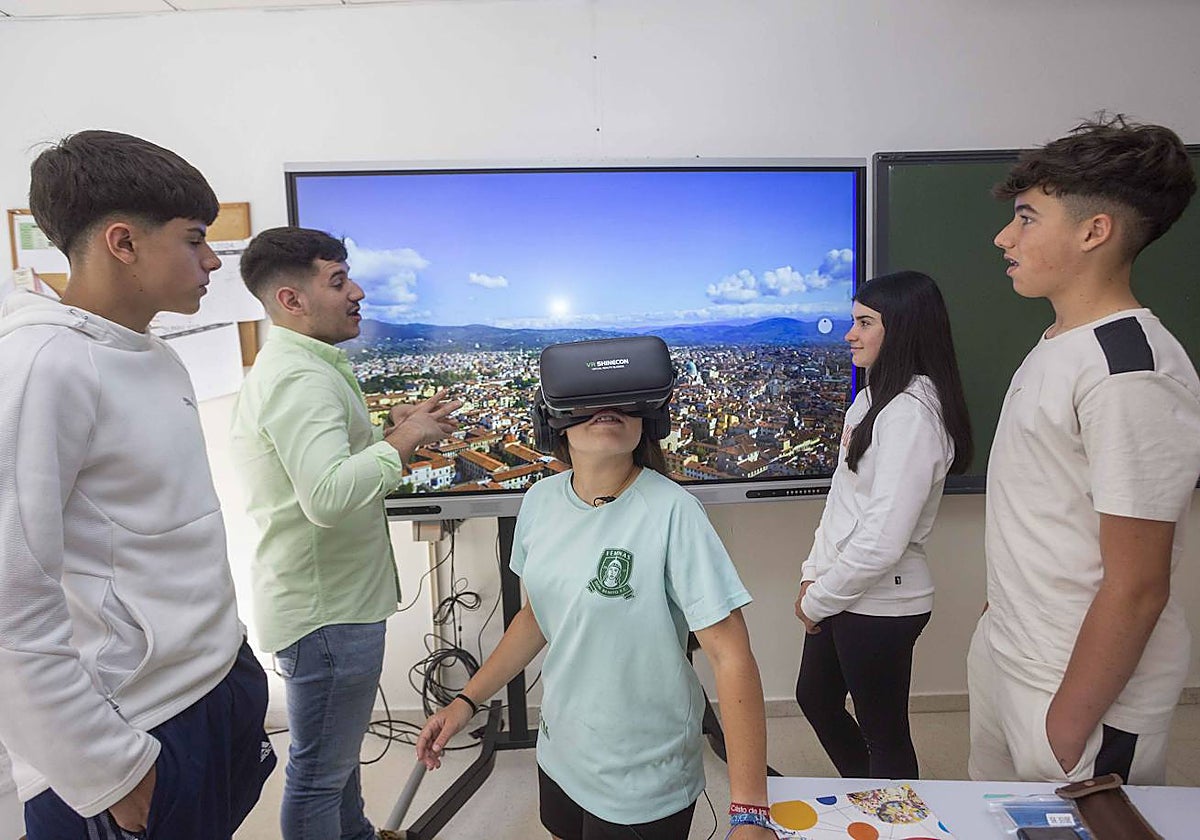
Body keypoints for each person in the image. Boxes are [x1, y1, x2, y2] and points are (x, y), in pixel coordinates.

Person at [0, 130, 276, 839]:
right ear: (122, 242)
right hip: (135, 722)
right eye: (195, 239)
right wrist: (110, 772)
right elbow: (10, 602)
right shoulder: (42, 365)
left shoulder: (153, 353)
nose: (213, 260)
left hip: (211, 682)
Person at [416, 338, 778, 840]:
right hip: (561, 751)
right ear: (553, 421)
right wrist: (466, 702)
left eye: (624, 402)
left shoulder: (674, 513)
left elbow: (731, 656)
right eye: (588, 401)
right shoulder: (539, 502)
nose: (607, 411)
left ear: (649, 419)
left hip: (643, 777)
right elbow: (537, 618)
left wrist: (750, 812)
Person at [969, 115, 1200, 785]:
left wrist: (1069, 726)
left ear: (1094, 231)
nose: (1004, 237)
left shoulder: (1131, 371)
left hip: (1077, 688)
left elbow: (1139, 584)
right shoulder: (1061, 342)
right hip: (1013, 651)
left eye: (1027, 219)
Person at [230, 226, 460, 840]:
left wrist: (383, 431)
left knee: (334, 766)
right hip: (327, 611)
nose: (357, 292)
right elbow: (328, 496)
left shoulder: (302, 366)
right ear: (291, 300)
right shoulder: (301, 378)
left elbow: (319, 469)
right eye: (338, 281)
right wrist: (403, 439)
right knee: (318, 775)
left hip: (326, 603)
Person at [793, 271, 973, 780]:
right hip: (844, 590)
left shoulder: (912, 414)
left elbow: (883, 538)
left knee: (884, 731)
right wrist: (813, 573)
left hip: (882, 602)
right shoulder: (874, 399)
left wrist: (816, 600)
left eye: (865, 322)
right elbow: (842, 500)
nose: (850, 334)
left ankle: (894, 812)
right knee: (816, 697)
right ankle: (870, 796)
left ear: (904, 328)